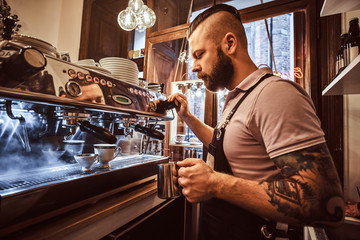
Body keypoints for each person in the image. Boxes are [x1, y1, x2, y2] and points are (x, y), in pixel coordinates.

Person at [166, 4, 345, 240]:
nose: (194, 66)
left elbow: (324, 203)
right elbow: (227, 145)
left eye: (199, 55)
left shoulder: (274, 94)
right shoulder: (238, 96)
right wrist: (187, 117)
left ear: (229, 44)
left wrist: (215, 183)